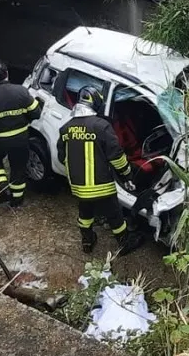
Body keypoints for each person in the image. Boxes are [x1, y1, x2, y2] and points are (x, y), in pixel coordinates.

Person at [57, 86, 144, 255]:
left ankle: (87, 241)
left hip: (78, 186)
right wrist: (127, 175)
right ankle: (124, 242)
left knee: (85, 213)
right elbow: (116, 157)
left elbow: (62, 156)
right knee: (114, 215)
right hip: (102, 185)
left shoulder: (66, 128)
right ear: (95, 102)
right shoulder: (101, 126)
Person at [0, 60, 42, 208]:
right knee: (18, 168)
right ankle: (17, 201)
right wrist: (25, 120)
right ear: (7, 74)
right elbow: (36, 113)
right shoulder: (21, 91)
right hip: (20, 139)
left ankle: (2, 184)